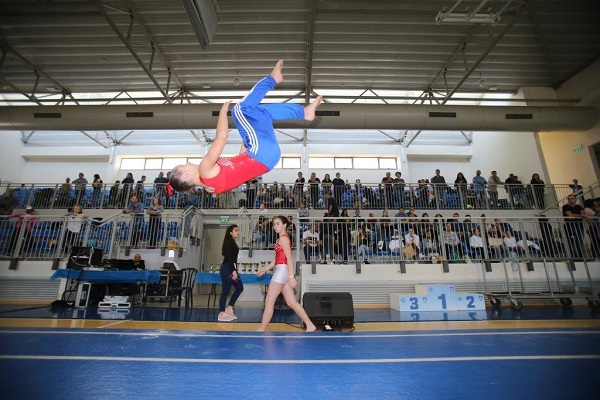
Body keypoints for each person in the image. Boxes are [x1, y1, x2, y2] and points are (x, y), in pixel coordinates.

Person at [169, 60, 323, 194]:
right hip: (261, 153)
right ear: (185, 175)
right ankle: (272, 79)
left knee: (261, 113)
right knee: (239, 109)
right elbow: (222, 137)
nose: (187, 163)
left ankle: (304, 112)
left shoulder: (210, 185)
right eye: (183, 165)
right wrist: (223, 111)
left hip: (264, 157)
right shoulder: (204, 169)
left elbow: (239, 164)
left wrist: (246, 140)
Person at [256, 216, 316, 332]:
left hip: (282, 272)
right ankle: (310, 325)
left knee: (269, 300)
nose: (275, 226)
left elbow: (289, 258)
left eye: (278, 223)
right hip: (282, 270)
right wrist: (264, 269)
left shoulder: (284, 239)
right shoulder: (280, 239)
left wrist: (291, 277)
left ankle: (262, 329)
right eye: (274, 224)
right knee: (291, 302)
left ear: (284, 225)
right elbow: (277, 259)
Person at [218, 224, 244, 322]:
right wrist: (233, 271)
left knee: (240, 287)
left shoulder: (232, 242)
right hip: (227, 269)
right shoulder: (229, 243)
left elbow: (233, 259)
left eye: (238, 230)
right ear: (230, 232)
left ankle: (229, 308)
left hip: (231, 269)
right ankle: (221, 313)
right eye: (236, 230)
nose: (238, 232)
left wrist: (234, 270)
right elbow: (229, 258)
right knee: (226, 290)